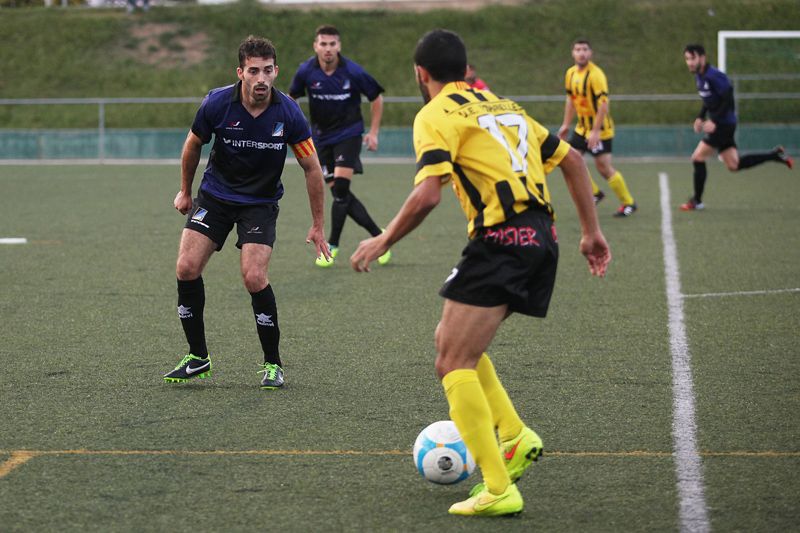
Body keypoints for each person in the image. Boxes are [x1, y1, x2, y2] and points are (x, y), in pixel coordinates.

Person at [351, 29, 611, 517]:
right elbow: (573, 160)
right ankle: (513, 436)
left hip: (502, 241)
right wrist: (591, 233)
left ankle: (498, 487)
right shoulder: (503, 104)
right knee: (451, 342)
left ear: (420, 74)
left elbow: (429, 193)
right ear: (466, 69)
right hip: (542, 238)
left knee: (452, 361)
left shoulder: (434, 115)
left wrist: (384, 238)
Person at [163, 36, 329, 389]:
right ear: (240, 73)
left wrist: (318, 224)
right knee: (186, 267)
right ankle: (198, 357)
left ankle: (273, 364)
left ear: (276, 71)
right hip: (215, 197)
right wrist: (185, 191)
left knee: (254, 277)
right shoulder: (217, 103)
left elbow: (312, 168)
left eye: (267, 71)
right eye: (253, 71)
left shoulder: (288, 113)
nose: (261, 79)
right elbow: (193, 144)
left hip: (259, 203)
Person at [289, 24, 392, 268]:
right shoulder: (306, 71)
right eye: (323, 44)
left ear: (339, 46)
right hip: (321, 140)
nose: (328, 48)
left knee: (341, 190)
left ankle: (332, 245)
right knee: (340, 195)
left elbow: (376, 97)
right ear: (316, 46)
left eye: (332, 44)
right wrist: (296, 128)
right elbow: (291, 98)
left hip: (349, 135)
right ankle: (380, 236)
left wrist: (373, 132)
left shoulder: (353, 71)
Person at [680, 43, 793, 211]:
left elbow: (728, 98)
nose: (689, 62)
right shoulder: (699, 76)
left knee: (697, 158)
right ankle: (775, 155)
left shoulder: (714, 75)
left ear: (702, 58)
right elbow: (708, 100)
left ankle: (697, 201)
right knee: (734, 165)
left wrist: (715, 121)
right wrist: (700, 117)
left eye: (692, 58)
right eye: (687, 59)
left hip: (723, 125)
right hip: (722, 125)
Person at [557, 39, 637, 217]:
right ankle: (595, 193)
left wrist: (595, 131)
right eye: (578, 49)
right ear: (573, 53)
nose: (581, 53)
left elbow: (603, 104)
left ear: (590, 53)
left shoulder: (596, 75)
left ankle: (629, 203)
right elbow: (570, 100)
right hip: (581, 128)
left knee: (603, 168)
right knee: (568, 159)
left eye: (585, 49)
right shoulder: (570, 73)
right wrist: (565, 124)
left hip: (601, 130)